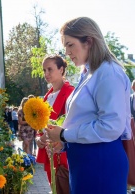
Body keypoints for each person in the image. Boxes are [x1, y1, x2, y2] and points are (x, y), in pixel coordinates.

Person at [46, 17, 131, 194]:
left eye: (70, 45)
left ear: (89, 41)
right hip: (86, 163)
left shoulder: (108, 73)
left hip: (100, 163)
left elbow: (110, 126)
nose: (67, 52)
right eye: (65, 47)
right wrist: (64, 141)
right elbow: (84, 119)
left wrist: (64, 134)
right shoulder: (91, 73)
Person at [35, 55, 74, 186]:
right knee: (55, 187)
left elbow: (71, 123)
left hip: (63, 152)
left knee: (64, 187)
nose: (46, 73)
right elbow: (40, 124)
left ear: (61, 69)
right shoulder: (47, 96)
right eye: (44, 70)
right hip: (49, 151)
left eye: (50, 69)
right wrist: (39, 138)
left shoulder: (70, 92)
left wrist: (45, 137)